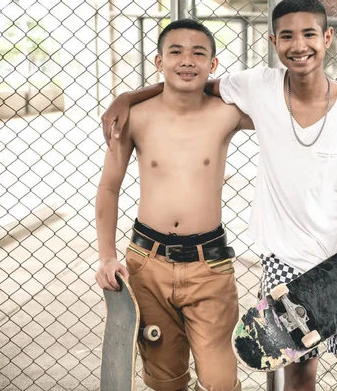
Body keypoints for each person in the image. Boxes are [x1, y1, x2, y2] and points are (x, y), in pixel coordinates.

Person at [102, 0, 337, 389]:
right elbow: (189, 84)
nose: (298, 44)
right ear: (273, 41)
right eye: (287, 36)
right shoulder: (259, 87)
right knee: (296, 370)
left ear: (328, 37)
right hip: (269, 259)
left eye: (308, 34)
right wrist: (127, 97)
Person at [94, 19, 253, 391]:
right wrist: (105, 256)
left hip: (209, 267)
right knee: (165, 381)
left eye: (199, 53)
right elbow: (109, 188)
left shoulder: (226, 113)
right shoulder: (134, 117)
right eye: (175, 52)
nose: (187, 60)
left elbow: (292, 106)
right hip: (148, 264)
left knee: (220, 382)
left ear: (213, 65)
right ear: (158, 60)